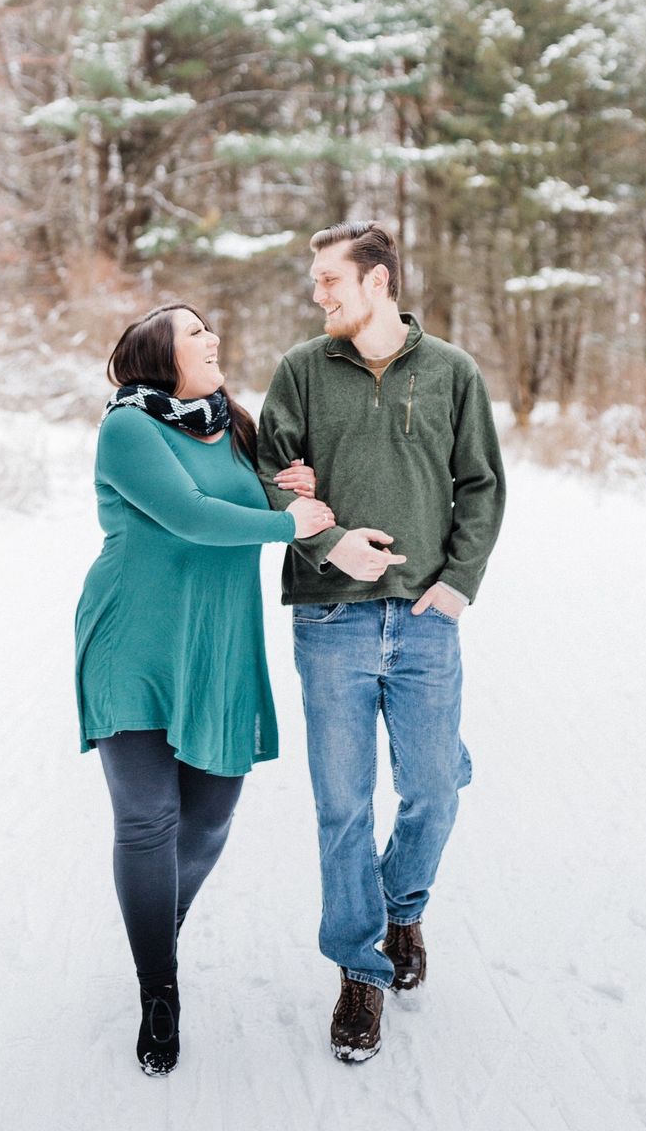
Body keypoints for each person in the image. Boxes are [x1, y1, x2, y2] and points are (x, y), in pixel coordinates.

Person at [257, 221, 506, 1062]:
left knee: (435, 787)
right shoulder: (299, 371)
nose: (318, 293)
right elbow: (263, 474)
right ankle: (359, 969)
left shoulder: (451, 373)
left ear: (380, 283)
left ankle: (403, 908)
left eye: (331, 279)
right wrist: (329, 543)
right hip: (328, 619)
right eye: (316, 281)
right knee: (342, 806)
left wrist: (459, 584)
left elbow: (481, 485)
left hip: (426, 619)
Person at [74, 302, 334, 1077]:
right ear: (159, 354)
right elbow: (190, 516)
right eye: (194, 332)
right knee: (148, 818)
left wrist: (292, 490)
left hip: (217, 644)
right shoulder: (128, 427)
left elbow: (262, 498)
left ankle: (160, 922)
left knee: (212, 813)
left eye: (211, 329)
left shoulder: (238, 427)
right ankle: (160, 988)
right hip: (134, 643)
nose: (212, 338)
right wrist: (292, 527)